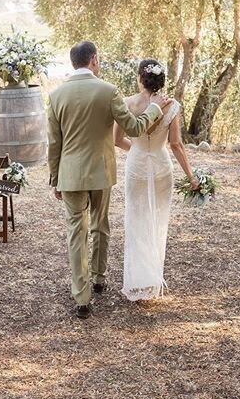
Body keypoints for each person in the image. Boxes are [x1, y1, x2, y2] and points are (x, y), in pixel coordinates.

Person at [47, 41, 169, 319]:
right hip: (101, 172)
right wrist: (154, 108)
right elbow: (135, 128)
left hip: (70, 174)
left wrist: (55, 178)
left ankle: (82, 296)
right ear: (93, 60)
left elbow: (53, 144)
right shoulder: (108, 90)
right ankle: (99, 278)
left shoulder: (55, 96)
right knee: (100, 225)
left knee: (76, 232)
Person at [114, 59, 198, 301]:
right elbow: (176, 144)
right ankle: (152, 278)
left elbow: (117, 140)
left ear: (141, 78)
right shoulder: (172, 107)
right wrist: (191, 176)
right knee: (158, 221)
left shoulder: (127, 104)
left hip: (137, 165)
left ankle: (137, 281)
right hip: (162, 167)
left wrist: (138, 152)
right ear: (161, 81)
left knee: (136, 219)